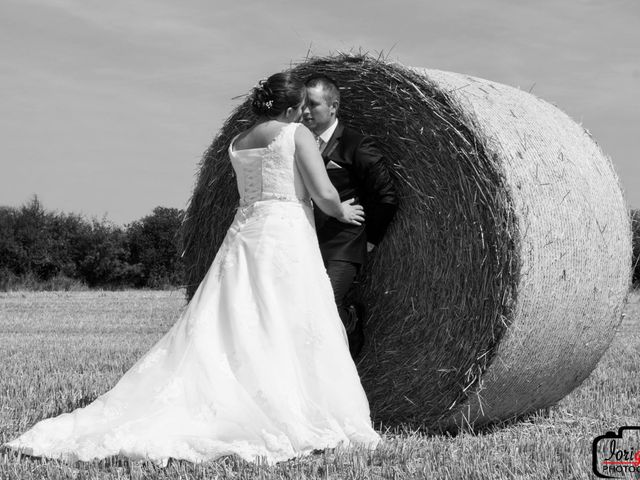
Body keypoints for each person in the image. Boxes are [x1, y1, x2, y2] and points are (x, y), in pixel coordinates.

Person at [3, 72, 380, 465]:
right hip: (285, 233)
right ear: (289, 107)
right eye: (302, 106)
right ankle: (291, 407)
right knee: (290, 318)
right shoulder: (295, 134)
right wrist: (342, 209)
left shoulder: (238, 143)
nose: (305, 113)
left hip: (247, 233)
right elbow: (322, 192)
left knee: (235, 315)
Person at [302, 74, 398, 358]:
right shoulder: (298, 144)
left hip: (345, 241)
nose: (306, 110)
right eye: (303, 104)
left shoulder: (356, 144)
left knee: (327, 301)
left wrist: (370, 240)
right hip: (306, 239)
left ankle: (351, 323)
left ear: (333, 107)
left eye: (314, 104)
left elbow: (387, 196)